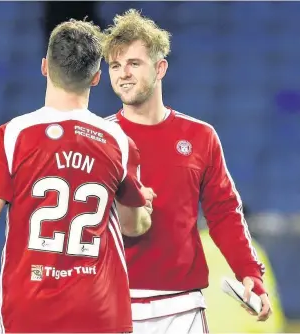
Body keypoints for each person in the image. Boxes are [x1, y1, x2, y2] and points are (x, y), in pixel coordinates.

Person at [0, 19, 154, 334]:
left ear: (44, 67)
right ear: (96, 78)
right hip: (100, 311)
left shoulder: (12, 135)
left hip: (29, 309)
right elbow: (134, 225)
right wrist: (145, 209)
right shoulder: (119, 142)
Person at [103, 9, 272, 333]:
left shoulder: (200, 137)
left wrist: (249, 273)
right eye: (115, 66)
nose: (123, 73)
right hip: (113, 304)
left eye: (134, 63)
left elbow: (224, 212)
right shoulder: (98, 138)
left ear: (160, 67)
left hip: (182, 308)